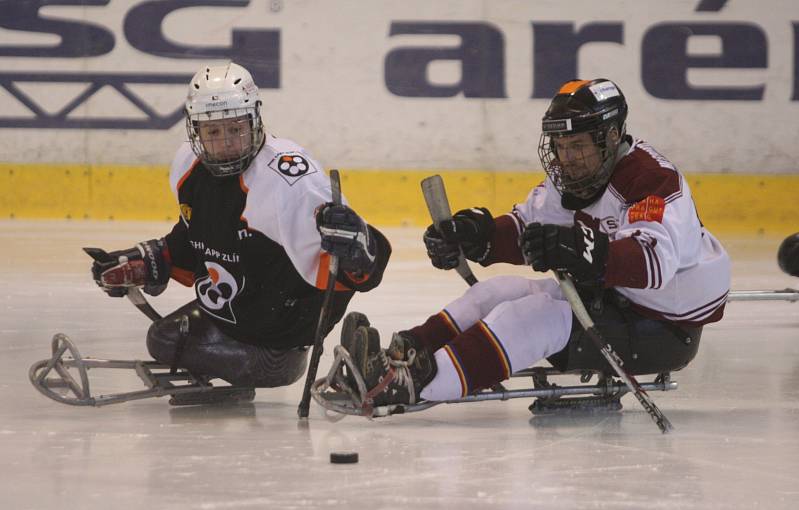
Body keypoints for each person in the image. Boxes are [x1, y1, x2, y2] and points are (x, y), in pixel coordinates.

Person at [340, 78, 730, 408]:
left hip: (663, 325)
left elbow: (653, 262)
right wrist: (478, 237)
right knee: (497, 292)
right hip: (618, 299)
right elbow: (526, 225)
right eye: (560, 146)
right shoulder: (578, 177)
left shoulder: (651, 179)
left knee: (533, 316)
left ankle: (411, 386)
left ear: (611, 137)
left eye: (577, 145)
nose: (567, 158)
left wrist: (580, 249)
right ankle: (403, 354)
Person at [89, 61, 391, 395]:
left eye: (235, 129)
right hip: (237, 314)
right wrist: (150, 261)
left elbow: (352, 263)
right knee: (164, 337)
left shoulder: (289, 182)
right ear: (195, 130)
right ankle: (238, 364)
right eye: (213, 132)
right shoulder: (188, 164)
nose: (226, 143)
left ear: (255, 120)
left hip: (277, 340)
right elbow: (201, 236)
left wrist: (358, 250)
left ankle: (260, 366)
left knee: (163, 339)